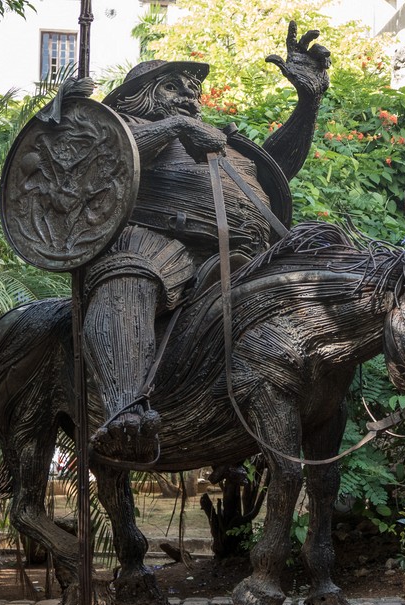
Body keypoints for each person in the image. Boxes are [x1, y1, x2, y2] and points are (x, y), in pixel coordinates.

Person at [85, 22, 330, 462]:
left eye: (192, 89)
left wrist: (307, 102)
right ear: (138, 96)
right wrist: (175, 126)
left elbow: (277, 167)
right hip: (164, 248)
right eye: (173, 87)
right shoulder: (128, 125)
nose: (189, 95)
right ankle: (124, 412)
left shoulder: (214, 137)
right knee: (129, 273)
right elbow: (107, 151)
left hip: (245, 257)